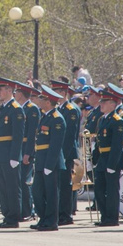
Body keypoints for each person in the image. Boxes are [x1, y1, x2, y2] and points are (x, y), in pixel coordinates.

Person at [31, 84, 66, 231]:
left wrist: (49, 165)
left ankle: (51, 221)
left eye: (41, 99)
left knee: (51, 193)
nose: (38, 101)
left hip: (50, 162)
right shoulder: (45, 117)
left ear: (47, 102)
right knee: (37, 191)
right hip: (41, 160)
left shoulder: (57, 119)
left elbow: (55, 145)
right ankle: (43, 218)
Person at [92, 86, 123, 227]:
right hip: (103, 158)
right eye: (101, 102)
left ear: (113, 104)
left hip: (112, 159)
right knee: (99, 189)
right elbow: (100, 141)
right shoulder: (103, 120)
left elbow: (117, 145)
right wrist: (95, 158)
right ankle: (104, 216)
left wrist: (112, 165)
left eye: (104, 102)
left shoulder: (117, 120)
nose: (101, 104)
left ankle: (112, 218)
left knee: (112, 190)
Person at [0, 77, 25, 228]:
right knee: (3, 187)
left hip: (9, 154)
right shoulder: (3, 107)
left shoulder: (16, 108)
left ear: (9, 90)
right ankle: (7, 215)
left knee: (12, 187)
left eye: (1, 89)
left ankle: (13, 217)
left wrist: (14, 156)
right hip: (0, 153)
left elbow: (18, 135)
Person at [50, 79, 81, 225]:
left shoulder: (70, 109)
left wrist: (62, 154)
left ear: (63, 93)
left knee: (65, 184)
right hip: (58, 152)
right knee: (59, 185)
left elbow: (69, 136)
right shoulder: (60, 109)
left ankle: (65, 214)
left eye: (55, 91)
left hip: (65, 152)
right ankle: (59, 212)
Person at [16, 82, 41, 221]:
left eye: (17, 92)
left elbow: (32, 133)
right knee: (18, 181)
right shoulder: (19, 108)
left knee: (25, 181)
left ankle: (28, 211)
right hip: (18, 147)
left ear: (21, 94)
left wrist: (28, 152)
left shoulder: (32, 109)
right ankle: (21, 209)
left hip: (26, 148)